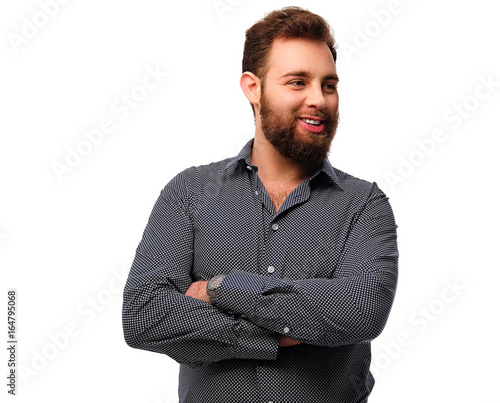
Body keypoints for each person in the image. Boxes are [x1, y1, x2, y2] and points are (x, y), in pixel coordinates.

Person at [122, 6, 398, 403]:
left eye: (329, 84)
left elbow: (360, 310)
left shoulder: (364, 204)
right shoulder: (189, 192)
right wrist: (284, 329)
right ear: (253, 87)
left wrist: (220, 288)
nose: (318, 99)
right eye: (298, 82)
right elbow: (144, 316)